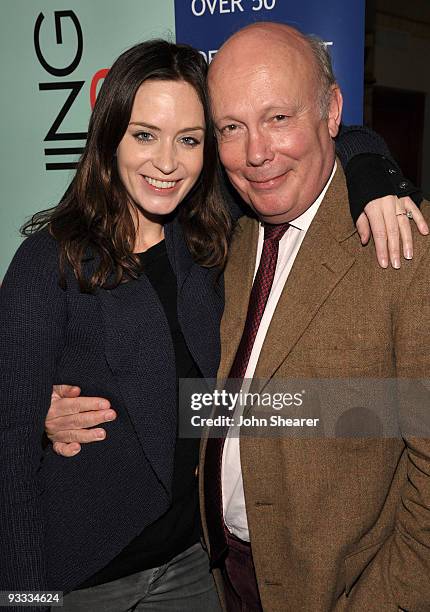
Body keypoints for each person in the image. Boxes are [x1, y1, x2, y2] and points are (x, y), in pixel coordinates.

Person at [2, 33, 426, 612]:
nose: (166, 161)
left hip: (194, 572)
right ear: (109, 137)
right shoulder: (47, 262)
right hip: (84, 579)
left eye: (190, 139)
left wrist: (374, 165)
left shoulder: (207, 235)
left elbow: (318, 140)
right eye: (144, 135)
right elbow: (11, 470)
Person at [197, 23, 430, 611]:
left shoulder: (403, 243)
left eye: (278, 119)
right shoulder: (218, 235)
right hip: (214, 580)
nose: (255, 153)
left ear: (332, 113)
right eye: (231, 127)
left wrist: (387, 600)